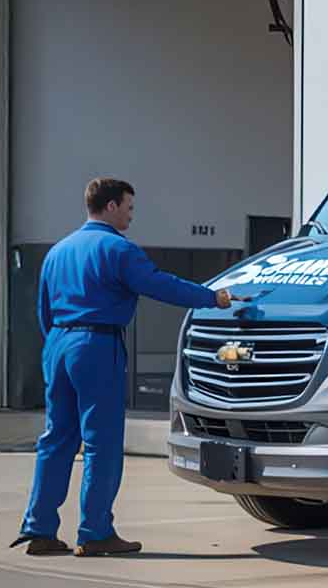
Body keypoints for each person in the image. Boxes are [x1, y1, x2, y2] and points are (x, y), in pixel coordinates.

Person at [13, 178, 235, 557]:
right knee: (101, 443)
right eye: (129, 207)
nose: (132, 215)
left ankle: (40, 530)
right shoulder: (118, 249)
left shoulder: (58, 251)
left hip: (58, 344)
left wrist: (57, 346)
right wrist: (212, 298)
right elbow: (160, 285)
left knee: (56, 439)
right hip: (96, 345)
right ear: (111, 205)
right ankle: (95, 532)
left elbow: (43, 311)